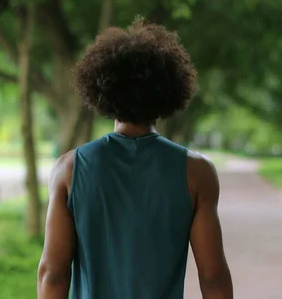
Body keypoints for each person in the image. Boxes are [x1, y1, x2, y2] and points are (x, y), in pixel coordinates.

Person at [37, 17, 233, 299]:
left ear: (102, 89)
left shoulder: (68, 169)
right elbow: (213, 277)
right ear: (168, 91)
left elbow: (53, 274)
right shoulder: (197, 172)